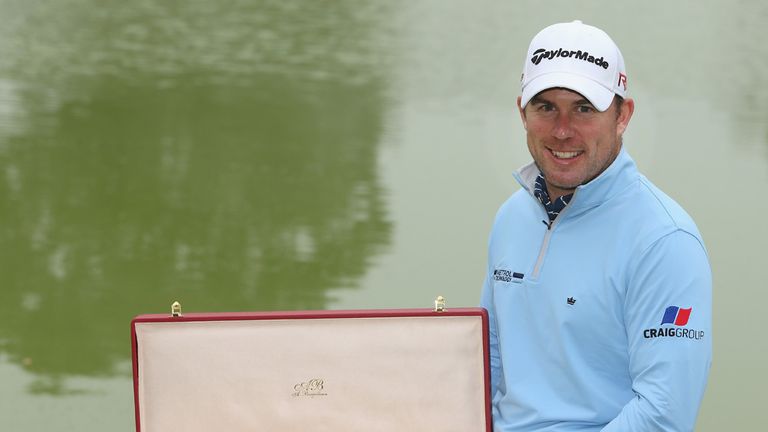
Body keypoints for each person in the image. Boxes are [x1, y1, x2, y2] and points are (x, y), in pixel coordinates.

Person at [479, 21, 712, 431]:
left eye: (584, 109)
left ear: (623, 116)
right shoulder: (511, 217)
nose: (562, 130)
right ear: (522, 112)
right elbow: (490, 359)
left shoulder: (665, 241)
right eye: (545, 107)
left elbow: (664, 415)